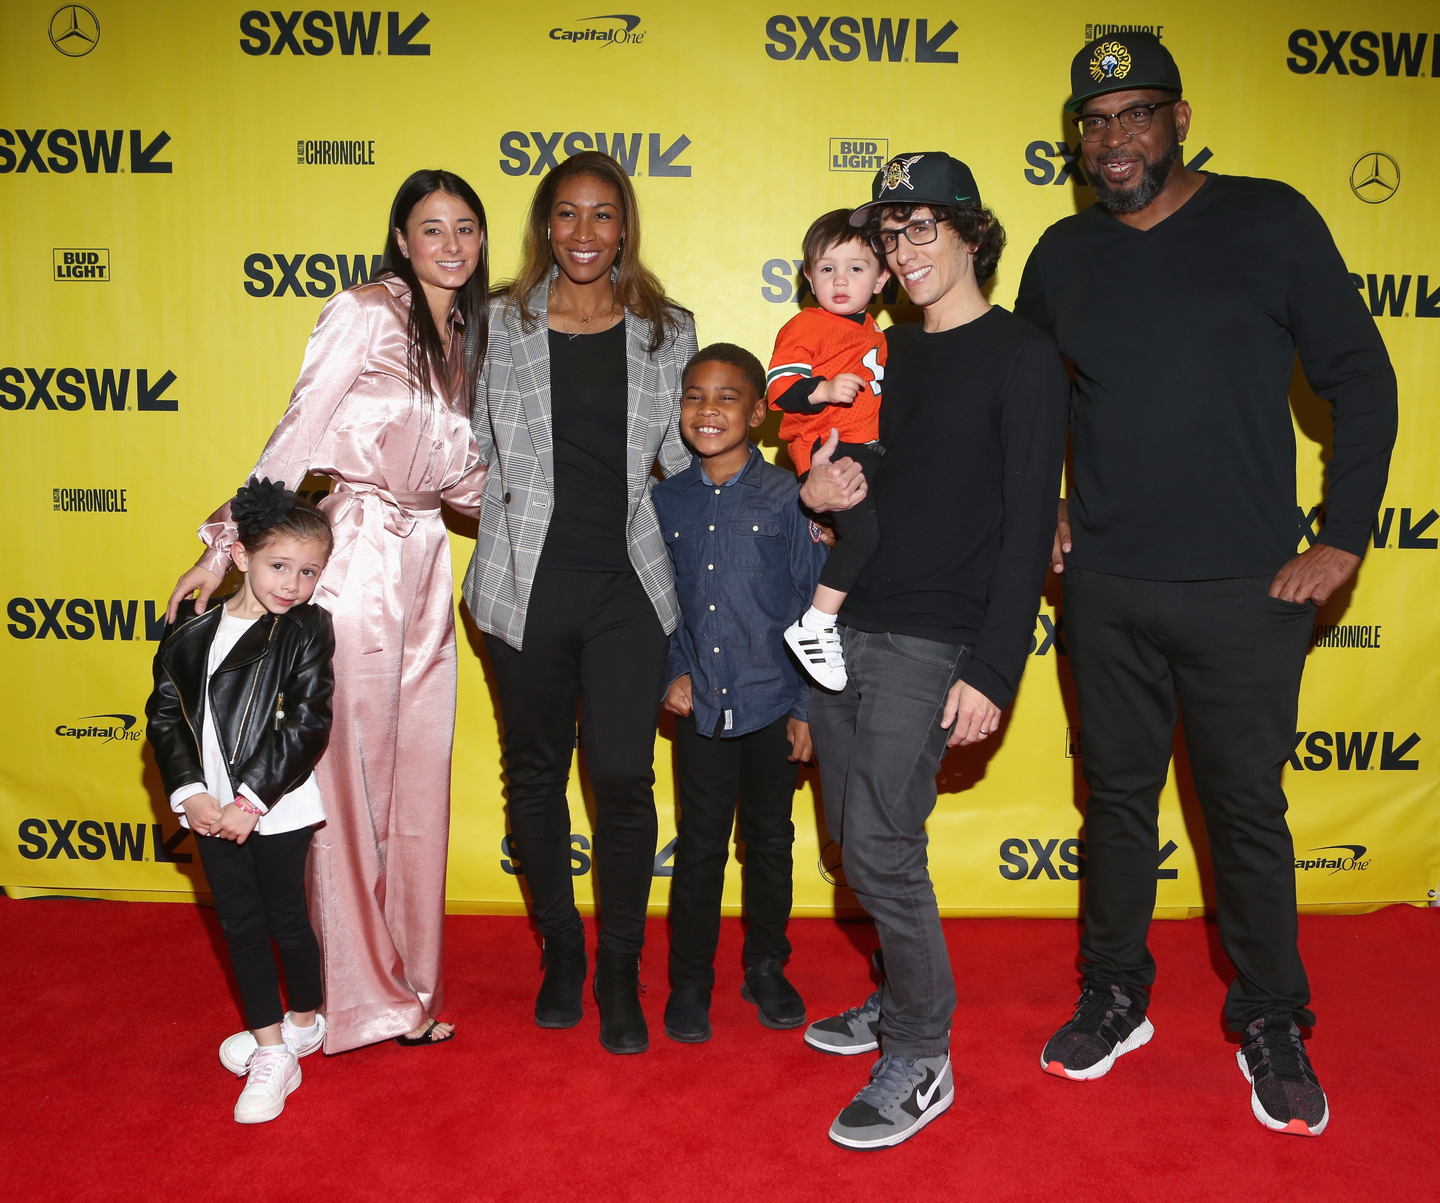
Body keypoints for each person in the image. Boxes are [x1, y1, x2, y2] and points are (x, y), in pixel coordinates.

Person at [1014, 34, 1397, 1137]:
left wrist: (1346, 538)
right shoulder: (1062, 253)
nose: (1115, 137)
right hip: (1106, 587)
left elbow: (1360, 382)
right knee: (1118, 804)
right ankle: (1116, 994)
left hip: (1246, 590)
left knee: (1244, 813)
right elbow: (1030, 404)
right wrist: (1040, 506)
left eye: (1137, 113)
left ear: (1180, 120)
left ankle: (1273, 1017)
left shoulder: (1268, 218)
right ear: (1077, 140)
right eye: (1095, 120)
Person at [165, 169, 491, 1052]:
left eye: (467, 227)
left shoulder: (465, 333)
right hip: (350, 560)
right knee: (339, 779)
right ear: (401, 238)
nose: (453, 244)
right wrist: (222, 540)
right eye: (433, 228)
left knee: (417, 777)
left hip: (424, 562)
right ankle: (347, 998)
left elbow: (460, 478)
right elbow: (301, 426)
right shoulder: (364, 310)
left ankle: (406, 986)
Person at [799, 153, 1069, 1150]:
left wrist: (992, 669)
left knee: (879, 845)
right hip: (845, 620)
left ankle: (921, 1049)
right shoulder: (883, 355)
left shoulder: (1023, 358)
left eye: (919, 231)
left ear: (971, 234)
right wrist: (815, 491)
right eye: (888, 236)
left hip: (935, 638)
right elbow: (842, 478)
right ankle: (895, 997)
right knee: (845, 839)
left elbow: (1027, 521)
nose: (901, 254)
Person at [462, 151, 698, 1055]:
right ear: (544, 225)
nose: (586, 233)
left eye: (604, 216)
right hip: (522, 586)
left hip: (629, 591)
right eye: (568, 215)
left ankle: (619, 969)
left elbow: (683, 465)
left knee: (625, 781)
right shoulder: (498, 323)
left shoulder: (665, 329)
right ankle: (563, 951)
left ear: (625, 225)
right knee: (533, 776)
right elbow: (466, 451)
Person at [654, 343, 828, 1043]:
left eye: (727, 397)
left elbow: (818, 601)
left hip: (772, 702)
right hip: (701, 712)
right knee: (698, 846)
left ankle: (766, 966)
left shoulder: (790, 496)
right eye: (695, 395)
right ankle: (690, 981)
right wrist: (672, 668)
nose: (708, 410)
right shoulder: (664, 500)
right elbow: (657, 601)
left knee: (771, 840)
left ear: (758, 412)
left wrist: (809, 706)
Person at [147, 478, 335, 1123]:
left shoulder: (308, 630)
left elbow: (307, 725)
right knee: (240, 926)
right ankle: (271, 1047)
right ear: (240, 558)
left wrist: (250, 801)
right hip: (207, 809)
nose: (292, 584)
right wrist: (189, 793)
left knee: (287, 919)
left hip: (275, 804)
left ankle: (305, 1020)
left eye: (308, 572)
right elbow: (166, 720)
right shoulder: (188, 636)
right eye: (279, 566)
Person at [766, 209, 890, 690]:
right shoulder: (809, 325)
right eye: (827, 268)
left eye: (856, 268)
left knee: (870, 539)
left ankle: (839, 621)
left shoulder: (875, 334)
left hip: (867, 451)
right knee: (862, 538)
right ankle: (815, 625)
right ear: (807, 275)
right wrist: (821, 390)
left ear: (881, 279)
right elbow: (779, 388)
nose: (841, 280)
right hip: (830, 449)